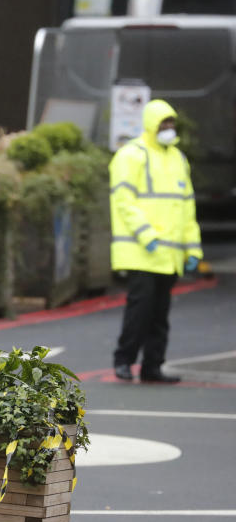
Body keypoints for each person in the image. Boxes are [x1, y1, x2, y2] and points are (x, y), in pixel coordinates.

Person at [110, 99, 202, 383]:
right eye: (164, 123)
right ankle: (124, 361)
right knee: (140, 311)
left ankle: (152, 366)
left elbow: (185, 206)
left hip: (169, 255)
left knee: (160, 315)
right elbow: (124, 200)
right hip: (141, 250)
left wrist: (193, 246)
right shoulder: (130, 155)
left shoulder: (178, 158)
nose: (169, 128)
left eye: (171, 123)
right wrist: (146, 235)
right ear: (151, 125)